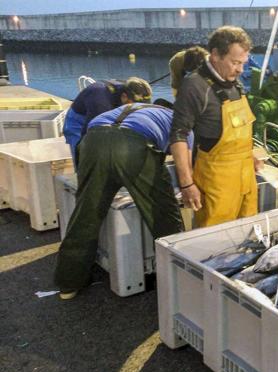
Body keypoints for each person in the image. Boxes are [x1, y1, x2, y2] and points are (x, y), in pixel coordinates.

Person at [54, 103, 194, 299]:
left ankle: (68, 283)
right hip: (134, 146)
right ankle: (183, 285)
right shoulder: (181, 122)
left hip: (93, 141)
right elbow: (184, 164)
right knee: (164, 217)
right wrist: (188, 187)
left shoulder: (131, 108)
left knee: (86, 214)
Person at [169, 26, 263, 227]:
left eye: (243, 63)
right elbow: (179, 135)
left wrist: (249, 155)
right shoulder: (194, 86)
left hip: (246, 177)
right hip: (216, 182)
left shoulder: (235, 82)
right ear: (215, 55)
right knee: (215, 243)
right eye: (235, 62)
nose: (240, 70)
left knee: (249, 235)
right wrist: (186, 183)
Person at [63, 77, 152, 164]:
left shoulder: (131, 88)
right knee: (85, 158)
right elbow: (89, 135)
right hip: (78, 122)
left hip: (108, 110)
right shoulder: (100, 102)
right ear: (124, 97)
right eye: (134, 106)